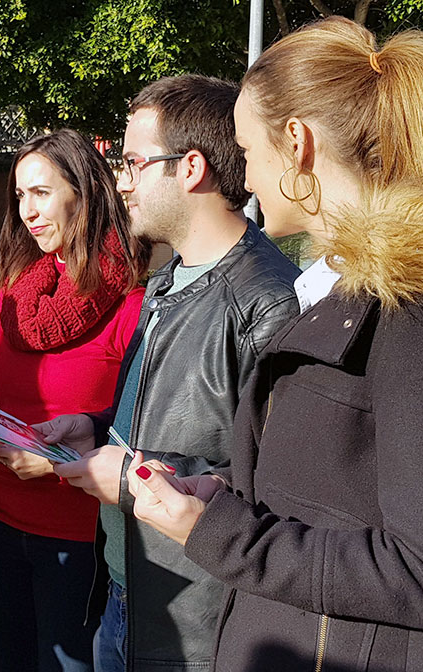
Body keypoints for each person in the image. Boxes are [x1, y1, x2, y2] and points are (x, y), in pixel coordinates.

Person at [126, 17, 423, 672]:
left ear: (298, 142)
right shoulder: (358, 293)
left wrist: (221, 534)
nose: (247, 178)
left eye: (247, 150)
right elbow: (340, 487)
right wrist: (224, 494)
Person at [39, 75, 300, 672]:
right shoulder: (166, 282)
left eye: (132, 161)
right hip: (128, 596)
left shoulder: (270, 302)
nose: (121, 180)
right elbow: (164, 420)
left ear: (190, 168)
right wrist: (94, 427)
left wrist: (133, 475)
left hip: (200, 622)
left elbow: (280, 482)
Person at [0, 129, 149, 672]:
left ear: (82, 192)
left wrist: (59, 463)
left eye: (41, 193)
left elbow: (142, 432)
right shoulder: (14, 292)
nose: (27, 211)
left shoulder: (133, 302)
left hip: (80, 541)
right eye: (20, 196)